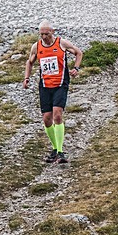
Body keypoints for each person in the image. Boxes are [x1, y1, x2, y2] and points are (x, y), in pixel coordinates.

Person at [23, 21, 83, 164]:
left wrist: (76, 68)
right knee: (46, 118)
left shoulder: (61, 43)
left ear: (52, 31)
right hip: (44, 85)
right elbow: (29, 62)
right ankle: (55, 149)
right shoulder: (36, 46)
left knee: (57, 115)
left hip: (60, 84)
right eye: (41, 34)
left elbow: (79, 53)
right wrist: (26, 78)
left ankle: (61, 152)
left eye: (46, 33)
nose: (44, 36)